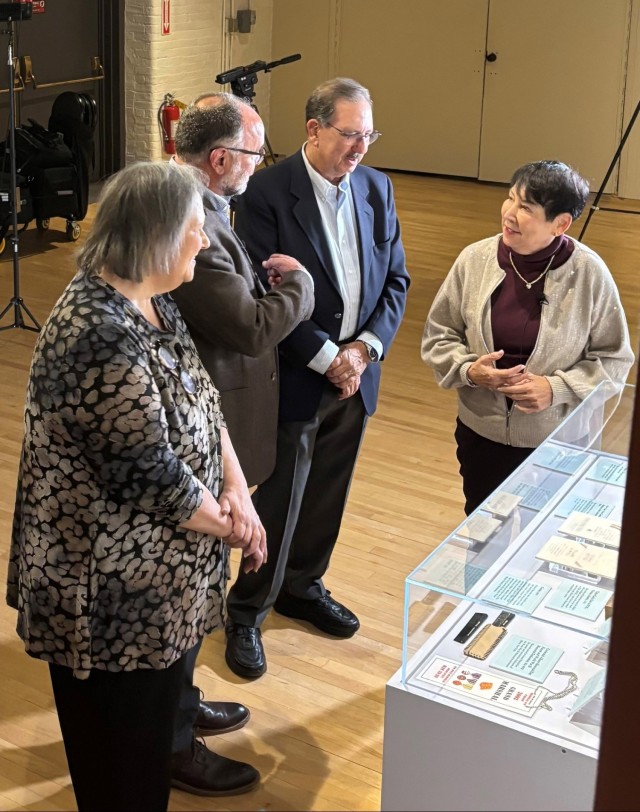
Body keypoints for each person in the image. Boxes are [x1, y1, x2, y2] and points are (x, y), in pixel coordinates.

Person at [6, 162, 267, 811]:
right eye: (194, 229)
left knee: (148, 743)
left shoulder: (153, 298)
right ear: (154, 236)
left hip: (158, 591)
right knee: (122, 777)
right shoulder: (94, 333)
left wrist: (238, 489)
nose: (204, 241)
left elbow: (204, 398)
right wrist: (238, 526)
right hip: (108, 605)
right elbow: (152, 476)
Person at [224, 77, 410, 679]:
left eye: (369, 135)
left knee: (330, 488)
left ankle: (302, 587)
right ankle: (246, 610)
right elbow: (261, 293)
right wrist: (329, 357)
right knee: (281, 497)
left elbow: (396, 281)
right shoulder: (266, 193)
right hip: (299, 375)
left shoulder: (377, 187)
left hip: (357, 373)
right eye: (350, 134)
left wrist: (364, 350)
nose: (361, 148)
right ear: (313, 129)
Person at [421, 159, 635, 516]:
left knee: (547, 533)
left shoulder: (589, 272)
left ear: (560, 224)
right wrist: (470, 371)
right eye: (510, 198)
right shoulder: (474, 259)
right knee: (483, 529)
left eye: (526, 208)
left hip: (559, 441)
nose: (509, 213)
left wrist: (555, 388)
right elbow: (438, 335)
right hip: (482, 435)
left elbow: (615, 359)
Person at [172, 92, 314, 488]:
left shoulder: (193, 201)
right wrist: (301, 285)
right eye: (255, 153)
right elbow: (251, 330)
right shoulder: (192, 224)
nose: (258, 164)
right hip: (214, 428)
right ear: (220, 160)